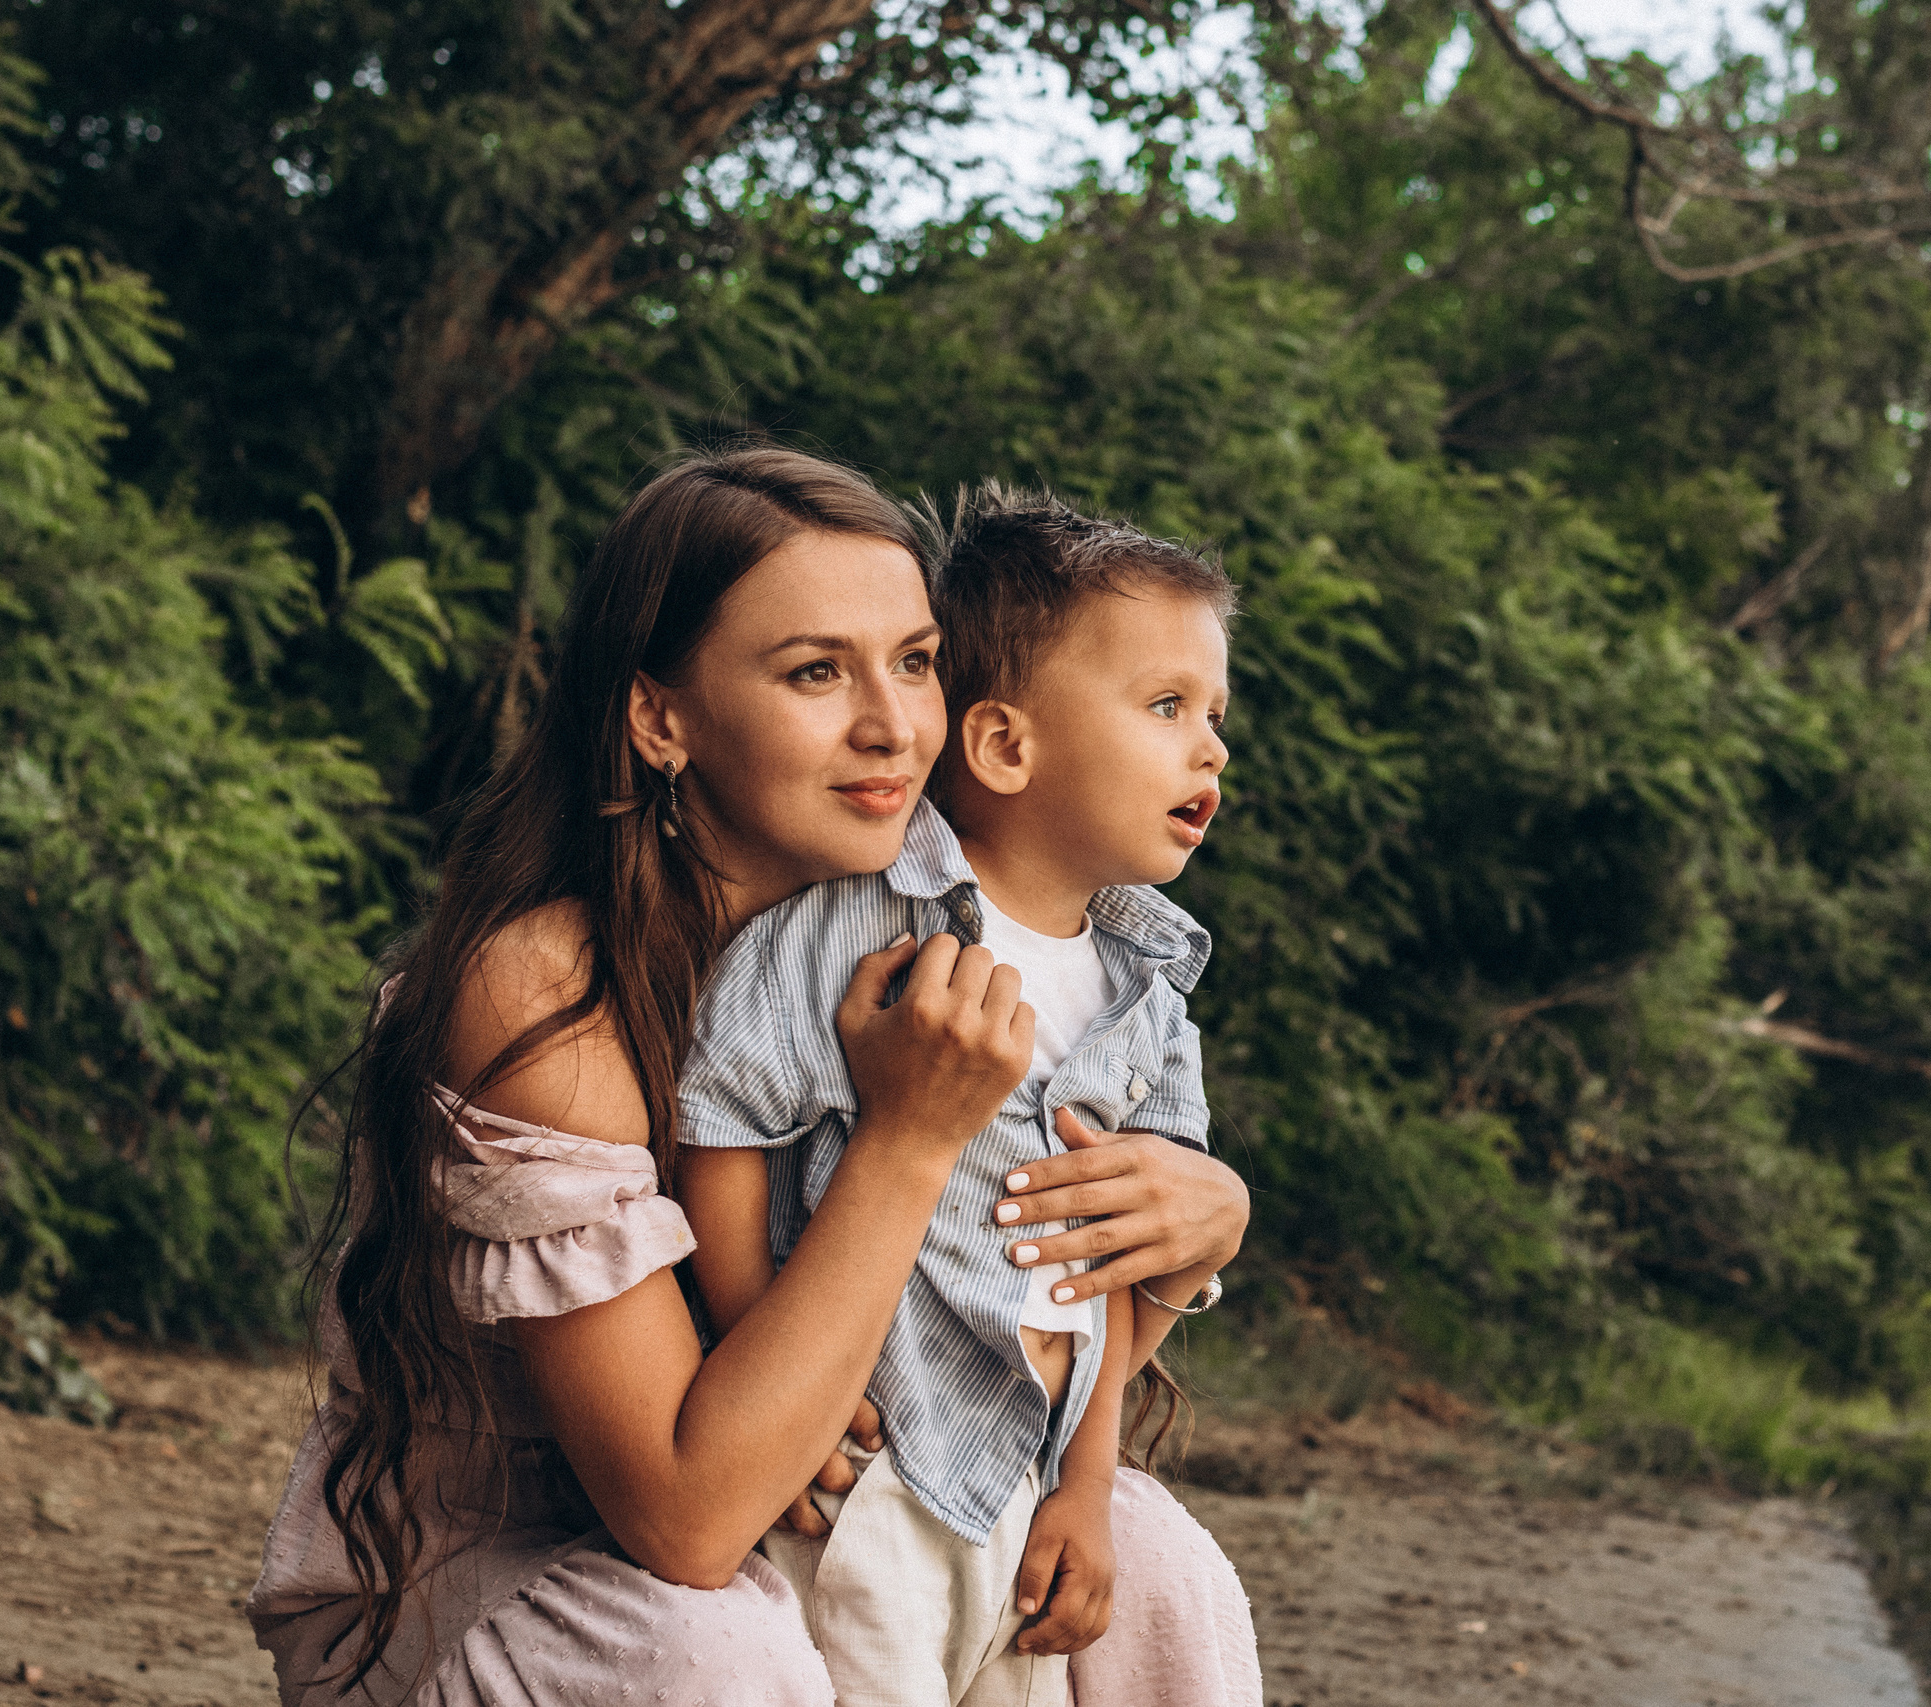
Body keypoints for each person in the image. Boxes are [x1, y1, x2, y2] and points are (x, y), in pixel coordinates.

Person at [247, 448, 1260, 1707]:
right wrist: (908, 1141)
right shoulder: (549, 992)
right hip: (507, 1585)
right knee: (709, 1650)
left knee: (1151, 1561)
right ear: (660, 719)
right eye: (814, 672)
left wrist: (1194, 1227)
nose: (892, 725)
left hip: (782, 1536)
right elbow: (688, 1522)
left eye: (914, 661)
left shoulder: (930, 940)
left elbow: (1005, 1334)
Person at [676, 488, 1236, 1705]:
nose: (1210, 748)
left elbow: (1114, 1277)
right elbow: (723, 1121)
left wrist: (1087, 1485)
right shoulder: (857, 928)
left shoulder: (1151, 994)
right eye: (1166, 707)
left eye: (1214, 715)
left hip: (1025, 1484)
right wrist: (772, 1377)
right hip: (879, 1474)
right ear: (1004, 747)